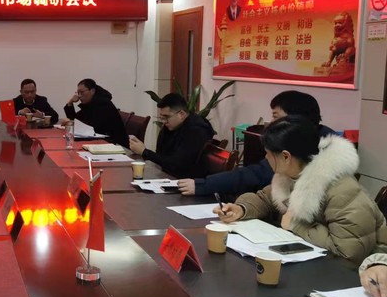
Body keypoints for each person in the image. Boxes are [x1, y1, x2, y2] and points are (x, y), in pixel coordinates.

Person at [214, 116, 387, 264]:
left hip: (360, 276)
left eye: (268, 153)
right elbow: (265, 199)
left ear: (286, 156)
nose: (266, 158)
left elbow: (349, 252)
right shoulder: (290, 175)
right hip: (315, 265)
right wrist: (241, 209)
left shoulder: (342, 190)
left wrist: (296, 225)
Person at [178, 90, 336, 197]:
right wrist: (242, 208)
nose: (271, 122)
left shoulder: (316, 151)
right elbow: (263, 197)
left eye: (275, 116)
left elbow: (256, 175)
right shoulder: (303, 139)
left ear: (295, 118)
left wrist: (203, 185)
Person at [129, 92, 213, 178]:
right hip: (168, 176)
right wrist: (143, 151)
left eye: (166, 117)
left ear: (181, 114)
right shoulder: (171, 126)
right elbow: (161, 154)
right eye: (162, 117)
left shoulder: (196, 131)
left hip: (187, 181)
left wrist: (144, 152)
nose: (164, 121)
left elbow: (176, 165)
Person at [63, 78, 129, 147]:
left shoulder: (103, 104)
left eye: (82, 92)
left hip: (115, 144)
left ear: (92, 91)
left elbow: (94, 128)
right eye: (78, 93)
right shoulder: (91, 104)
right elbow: (76, 119)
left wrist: (73, 123)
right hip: (101, 141)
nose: (79, 96)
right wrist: (70, 102)